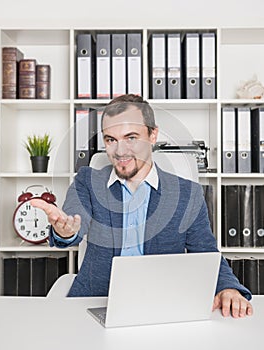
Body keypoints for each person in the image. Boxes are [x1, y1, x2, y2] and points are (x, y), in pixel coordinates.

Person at [31, 94, 253, 318]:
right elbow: (73, 223)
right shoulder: (88, 181)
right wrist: (66, 230)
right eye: (111, 139)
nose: (120, 151)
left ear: (152, 134)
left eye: (131, 137)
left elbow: (206, 251)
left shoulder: (187, 194)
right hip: (95, 300)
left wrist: (228, 287)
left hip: (160, 304)